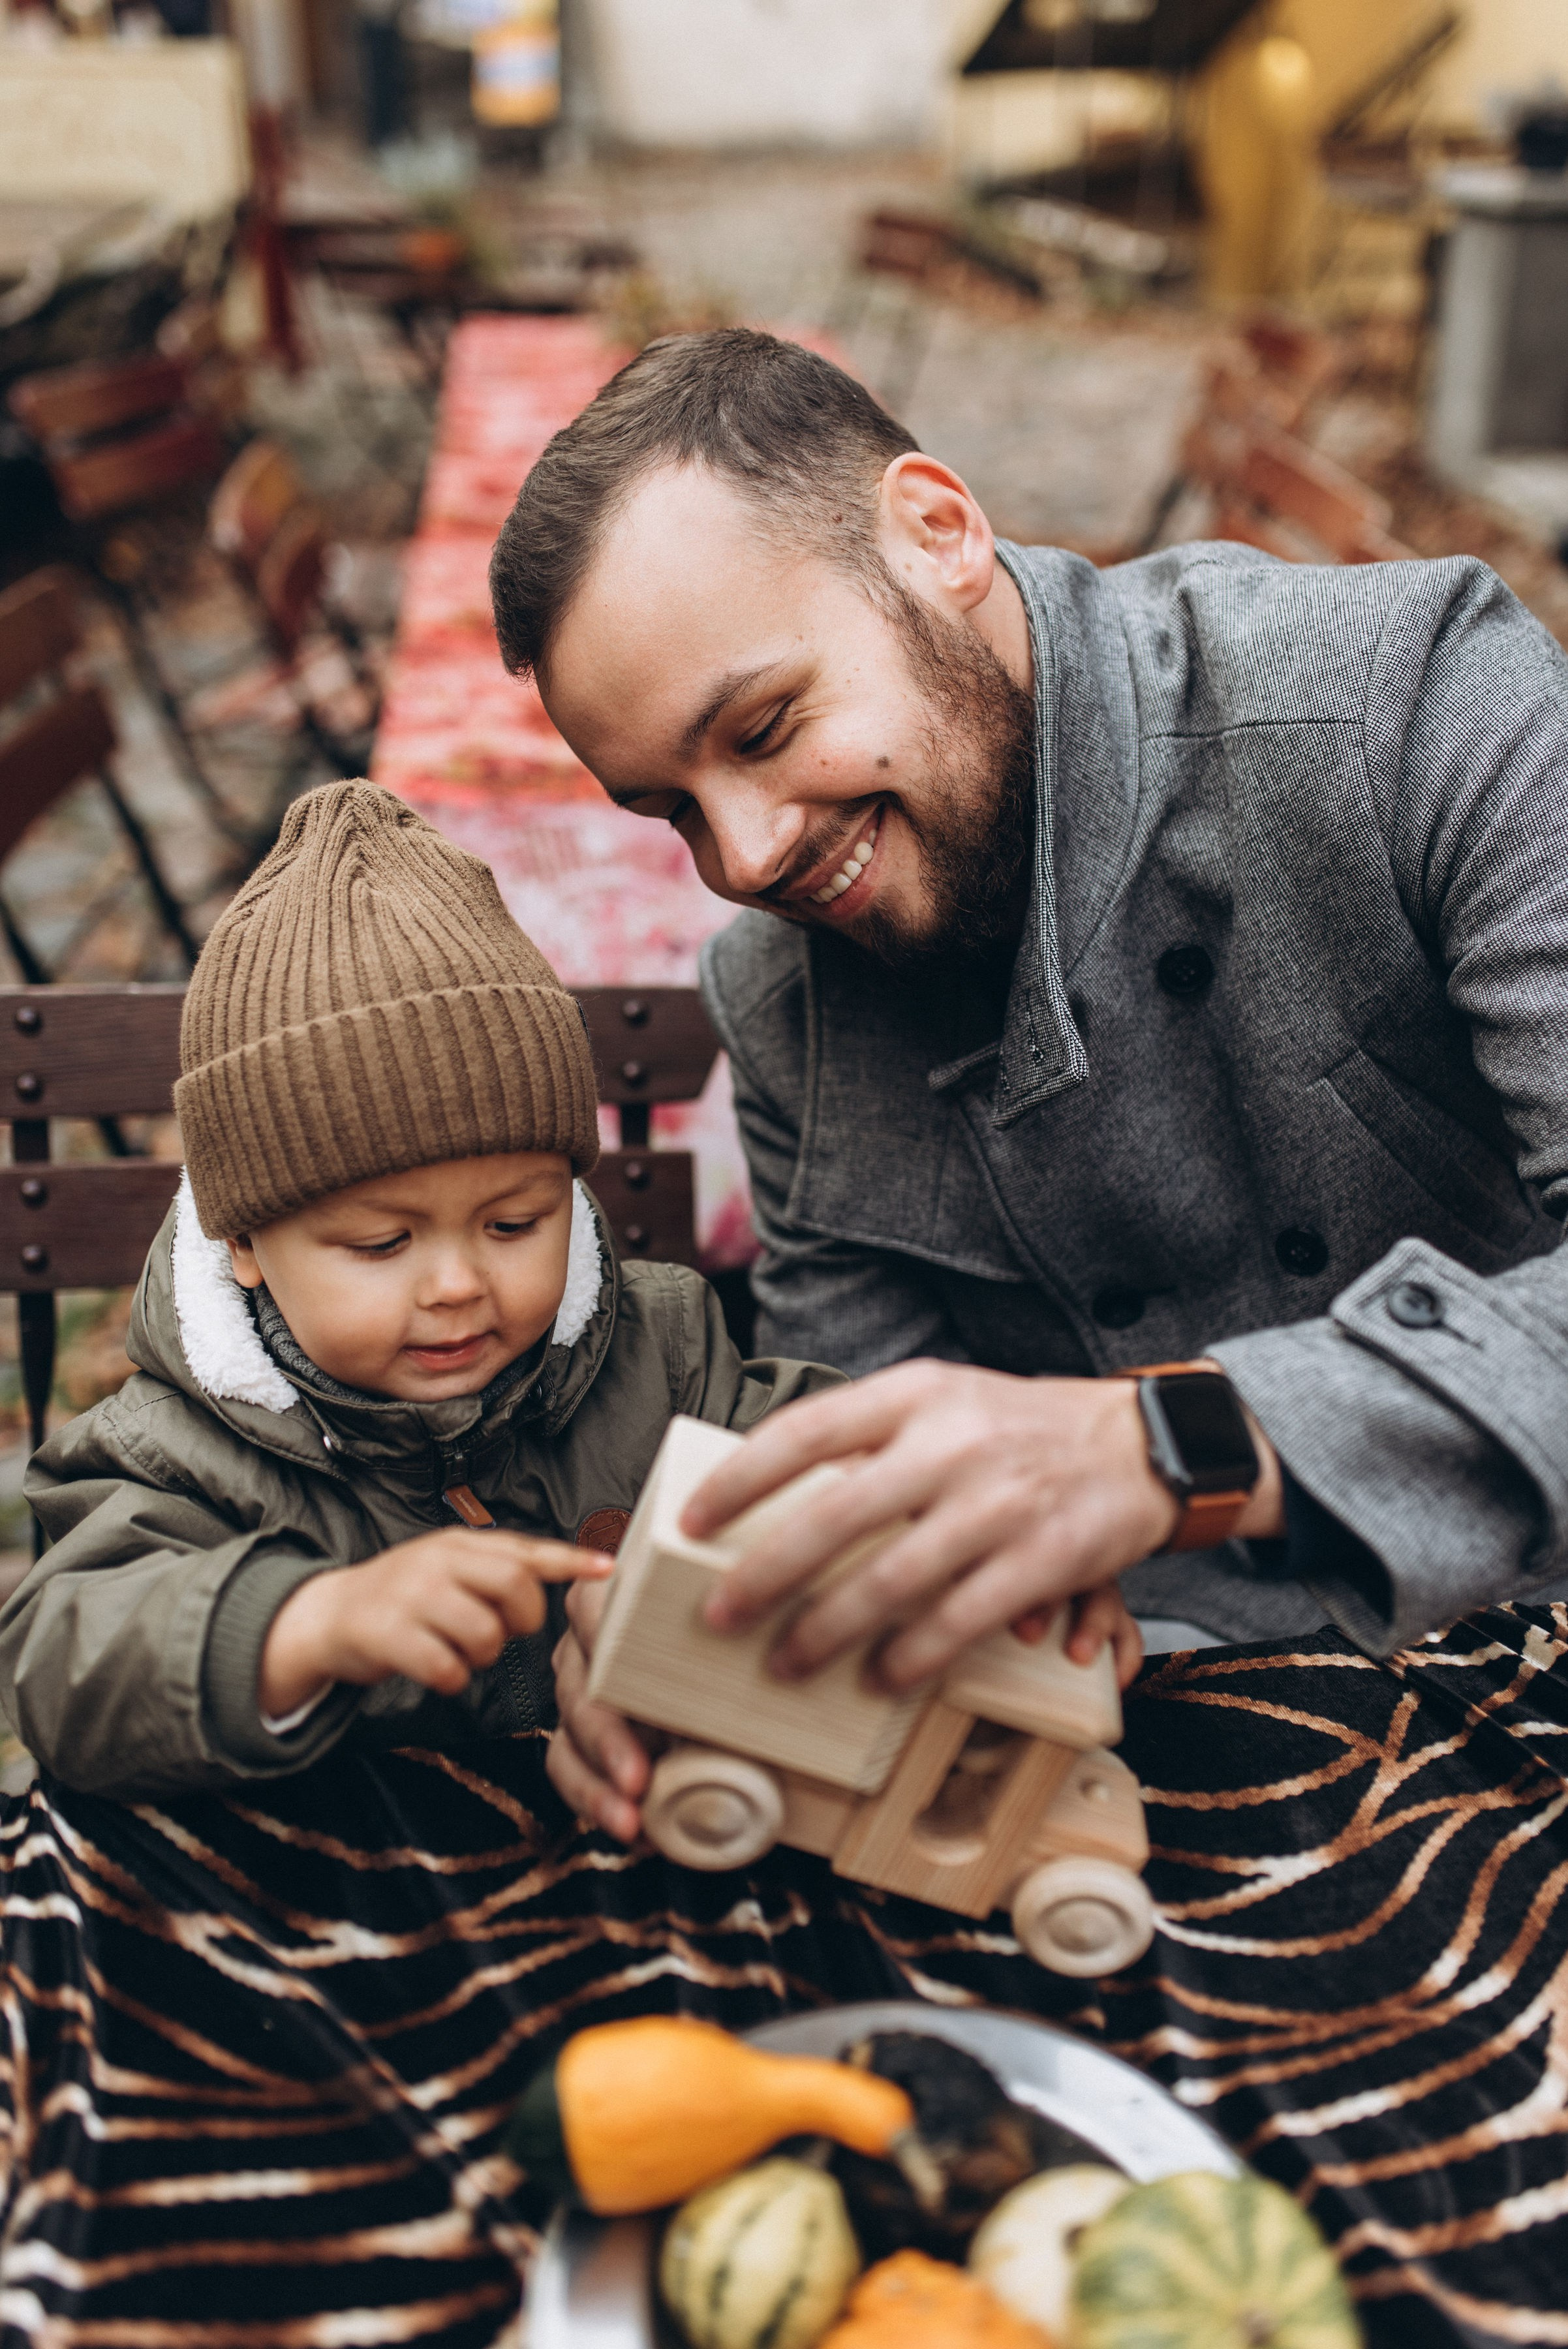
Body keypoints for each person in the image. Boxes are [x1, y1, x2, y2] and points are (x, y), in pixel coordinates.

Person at [484, 329, 1568, 1841]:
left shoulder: (1414, 703)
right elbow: (857, 1460)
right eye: (672, 809)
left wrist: (1161, 1448)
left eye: (765, 729)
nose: (743, 859)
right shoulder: (779, 1010)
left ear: (937, 533)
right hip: (1154, 1749)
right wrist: (689, 1634)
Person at [0, 780, 841, 1799]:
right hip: (345, 1907)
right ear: (246, 1245)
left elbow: (818, 1468)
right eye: (382, 1242)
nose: (455, 1285)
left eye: (514, 1224)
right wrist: (301, 1626)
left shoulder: (661, 1353)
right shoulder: (179, 1454)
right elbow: (59, 1664)